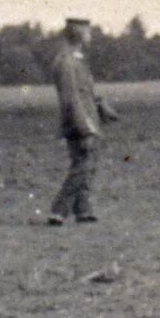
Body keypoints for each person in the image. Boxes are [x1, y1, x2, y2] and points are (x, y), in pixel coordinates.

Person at [41, 17, 119, 225]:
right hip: (80, 123)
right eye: (88, 32)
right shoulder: (67, 62)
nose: (90, 35)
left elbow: (87, 93)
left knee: (88, 164)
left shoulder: (76, 60)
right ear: (79, 35)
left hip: (87, 119)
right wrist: (86, 128)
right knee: (82, 165)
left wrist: (101, 107)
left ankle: (83, 209)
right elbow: (72, 98)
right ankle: (58, 210)